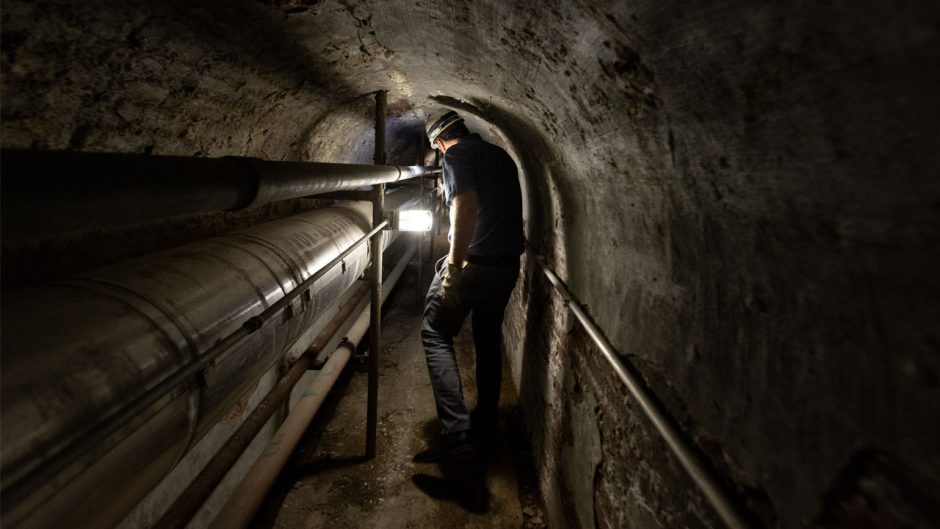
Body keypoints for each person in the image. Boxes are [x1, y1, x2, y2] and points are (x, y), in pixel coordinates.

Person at [413, 109, 524, 463]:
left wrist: (453, 268)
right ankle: (486, 420)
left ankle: (457, 432)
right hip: (507, 267)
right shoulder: (499, 154)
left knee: (435, 332)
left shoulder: (457, 155)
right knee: (487, 337)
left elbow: (465, 205)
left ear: (440, 142)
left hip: (474, 266)